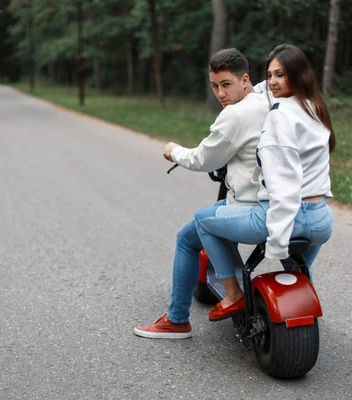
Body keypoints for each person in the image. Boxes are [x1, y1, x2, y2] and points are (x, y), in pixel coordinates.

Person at [133, 48, 270, 339]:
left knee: (187, 238)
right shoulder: (265, 98)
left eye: (226, 85)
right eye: (215, 86)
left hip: (246, 206)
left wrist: (174, 151)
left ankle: (178, 319)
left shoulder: (234, 114)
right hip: (275, 202)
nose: (220, 93)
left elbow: (203, 159)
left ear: (244, 80)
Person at [193, 44, 336, 321]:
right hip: (321, 220)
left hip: (285, 216)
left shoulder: (278, 118)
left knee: (202, 220)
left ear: (297, 76)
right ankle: (301, 302)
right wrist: (252, 86)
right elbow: (267, 88)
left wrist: (278, 241)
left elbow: (283, 190)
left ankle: (233, 294)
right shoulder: (314, 108)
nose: (272, 82)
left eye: (280, 75)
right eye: (269, 75)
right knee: (297, 266)